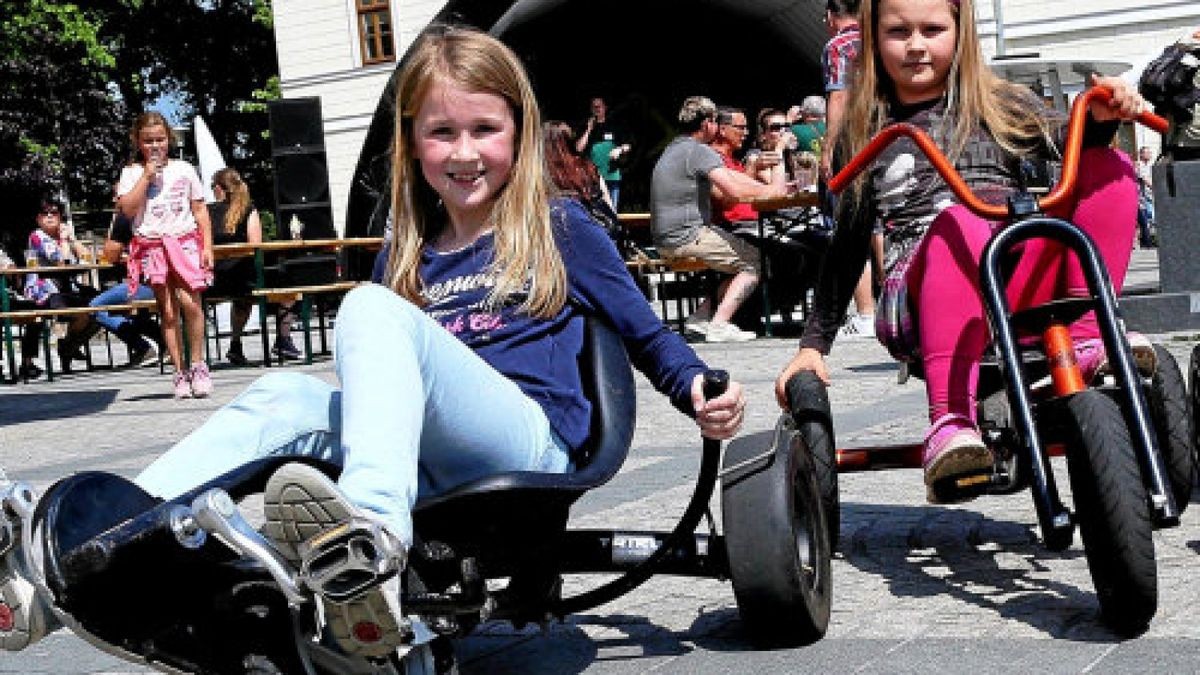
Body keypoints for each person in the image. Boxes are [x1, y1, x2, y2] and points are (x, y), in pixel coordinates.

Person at [0, 26, 747, 658]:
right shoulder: (407, 251)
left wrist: (699, 389)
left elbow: (648, 335)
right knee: (282, 393)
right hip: (425, 464)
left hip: (527, 447)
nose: (464, 152)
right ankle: (79, 553)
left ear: (518, 131)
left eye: (485, 129)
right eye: (441, 132)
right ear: (413, 142)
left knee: (369, 308)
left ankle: (372, 558)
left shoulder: (560, 229)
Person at [775, 0, 1154, 502]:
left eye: (932, 29)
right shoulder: (866, 131)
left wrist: (1101, 117)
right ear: (873, 39)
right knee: (959, 221)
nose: (915, 45)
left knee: (1111, 171)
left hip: (1012, 275)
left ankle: (1088, 338)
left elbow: (1072, 146)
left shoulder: (1001, 104)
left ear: (960, 31)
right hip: (922, 289)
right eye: (898, 32)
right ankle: (950, 421)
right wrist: (812, 346)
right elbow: (847, 246)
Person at [650, 96, 788, 342]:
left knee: (739, 254)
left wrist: (767, 188)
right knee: (756, 261)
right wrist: (773, 184)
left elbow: (733, 180)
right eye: (714, 120)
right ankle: (719, 324)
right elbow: (733, 191)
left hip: (665, 239)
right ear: (707, 124)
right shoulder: (699, 151)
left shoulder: (675, 148)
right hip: (688, 236)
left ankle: (701, 318)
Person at [116, 111, 215, 399]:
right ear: (138, 142)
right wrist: (147, 176)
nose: (155, 146)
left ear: (169, 140)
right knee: (168, 310)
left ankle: (198, 364)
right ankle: (179, 370)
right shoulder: (131, 173)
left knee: (192, 303)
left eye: (160, 140)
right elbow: (128, 210)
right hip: (152, 244)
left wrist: (207, 246)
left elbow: (200, 210)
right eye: (148, 141)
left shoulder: (184, 169)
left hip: (184, 241)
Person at [205, 167, 302, 365]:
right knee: (289, 284)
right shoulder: (248, 210)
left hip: (210, 281)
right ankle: (283, 338)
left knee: (243, 297)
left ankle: (235, 343)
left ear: (218, 188)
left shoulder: (206, 211)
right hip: (243, 279)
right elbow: (256, 246)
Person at [23, 199, 100, 374]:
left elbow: (86, 258)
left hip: (66, 289)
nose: (50, 216)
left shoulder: (62, 238)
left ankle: (69, 344)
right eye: (45, 213)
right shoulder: (37, 236)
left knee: (99, 304)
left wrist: (71, 238)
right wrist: (65, 241)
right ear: (38, 219)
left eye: (54, 213)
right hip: (42, 292)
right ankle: (68, 345)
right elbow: (61, 261)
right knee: (79, 309)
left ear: (60, 217)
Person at [89, 202, 160, 368]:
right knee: (136, 313)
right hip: (170, 282)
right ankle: (164, 345)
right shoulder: (160, 213)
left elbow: (110, 255)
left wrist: (115, 224)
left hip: (146, 284)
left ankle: (143, 348)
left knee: (95, 307)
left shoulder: (126, 217)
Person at [542, 120, 618, 240]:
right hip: (594, 237)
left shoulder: (538, 174)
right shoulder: (588, 168)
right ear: (570, 141)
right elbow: (609, 209)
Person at [575, 96, 631, 210]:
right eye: (594, 107)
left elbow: (628, 146)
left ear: (605, 108)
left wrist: (619, 149)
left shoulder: (614, 126)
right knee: (594, 213)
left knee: (611, 212)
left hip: (611, 177)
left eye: (599, 106)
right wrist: (588, 129)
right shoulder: (586, 126)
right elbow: (578, 149)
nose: (596, 109)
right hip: (592, 179)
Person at [1133, 145, 1156, 248]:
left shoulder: (1150, 166)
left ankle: (1145, 242)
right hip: (1141, 197)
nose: (1149, 155)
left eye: (1150, 153)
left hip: (1149, 196)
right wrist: (1154, 188)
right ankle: (1146, 243)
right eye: (1147, 153)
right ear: (1141, 154)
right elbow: (1144, 180)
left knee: (1147, 219)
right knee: (1145, 220)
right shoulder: (1138, 165)